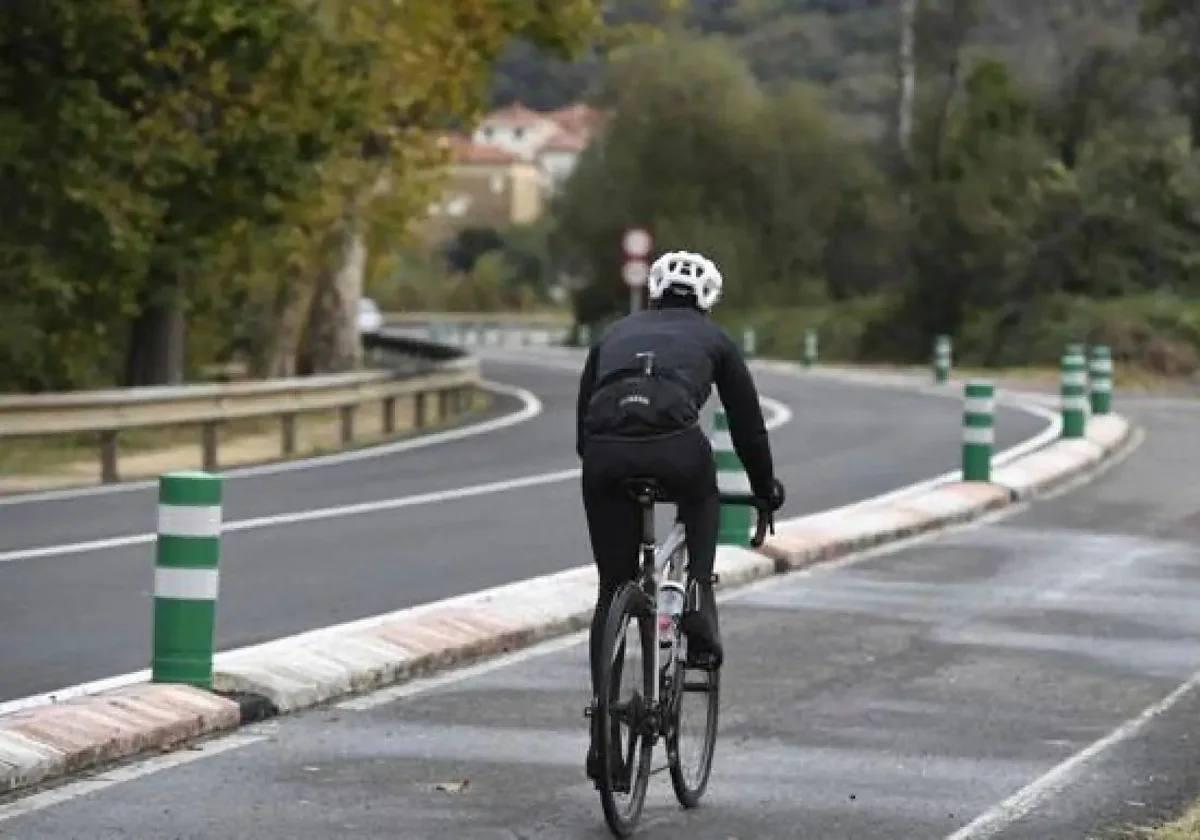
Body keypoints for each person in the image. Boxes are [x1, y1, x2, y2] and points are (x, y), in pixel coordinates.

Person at [576, 249, 784, 783]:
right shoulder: (715, 340)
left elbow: (583, 425)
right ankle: (698, 597)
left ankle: (603, 734)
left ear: (653, 293)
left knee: (612, 588)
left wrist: (609, 466)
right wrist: (765, 491)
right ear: (708, 300)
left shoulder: (612, 333)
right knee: (702, 495)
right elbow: (747, 426)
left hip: (605, 455)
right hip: (674, 450)